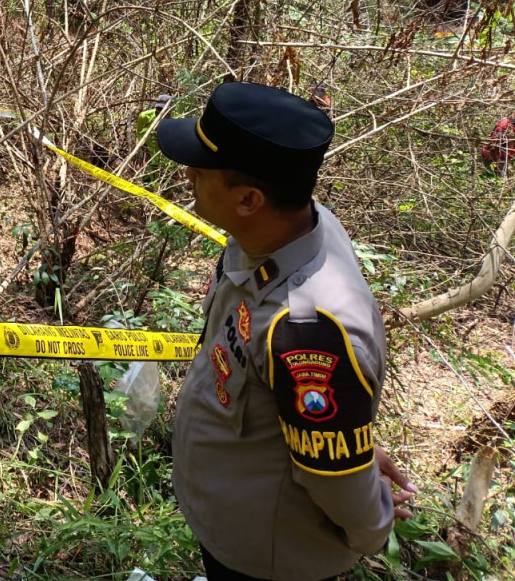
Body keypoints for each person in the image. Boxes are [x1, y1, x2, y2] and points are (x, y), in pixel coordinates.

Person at [155, 81, 416, 581]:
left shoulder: (307, 332)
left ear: (249, 199)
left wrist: (371, 523)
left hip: (263, 557)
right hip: (230, 511)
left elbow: (338, 486)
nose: (187, 175)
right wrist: (336, 439)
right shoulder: (284, 230)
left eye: (200, 169)